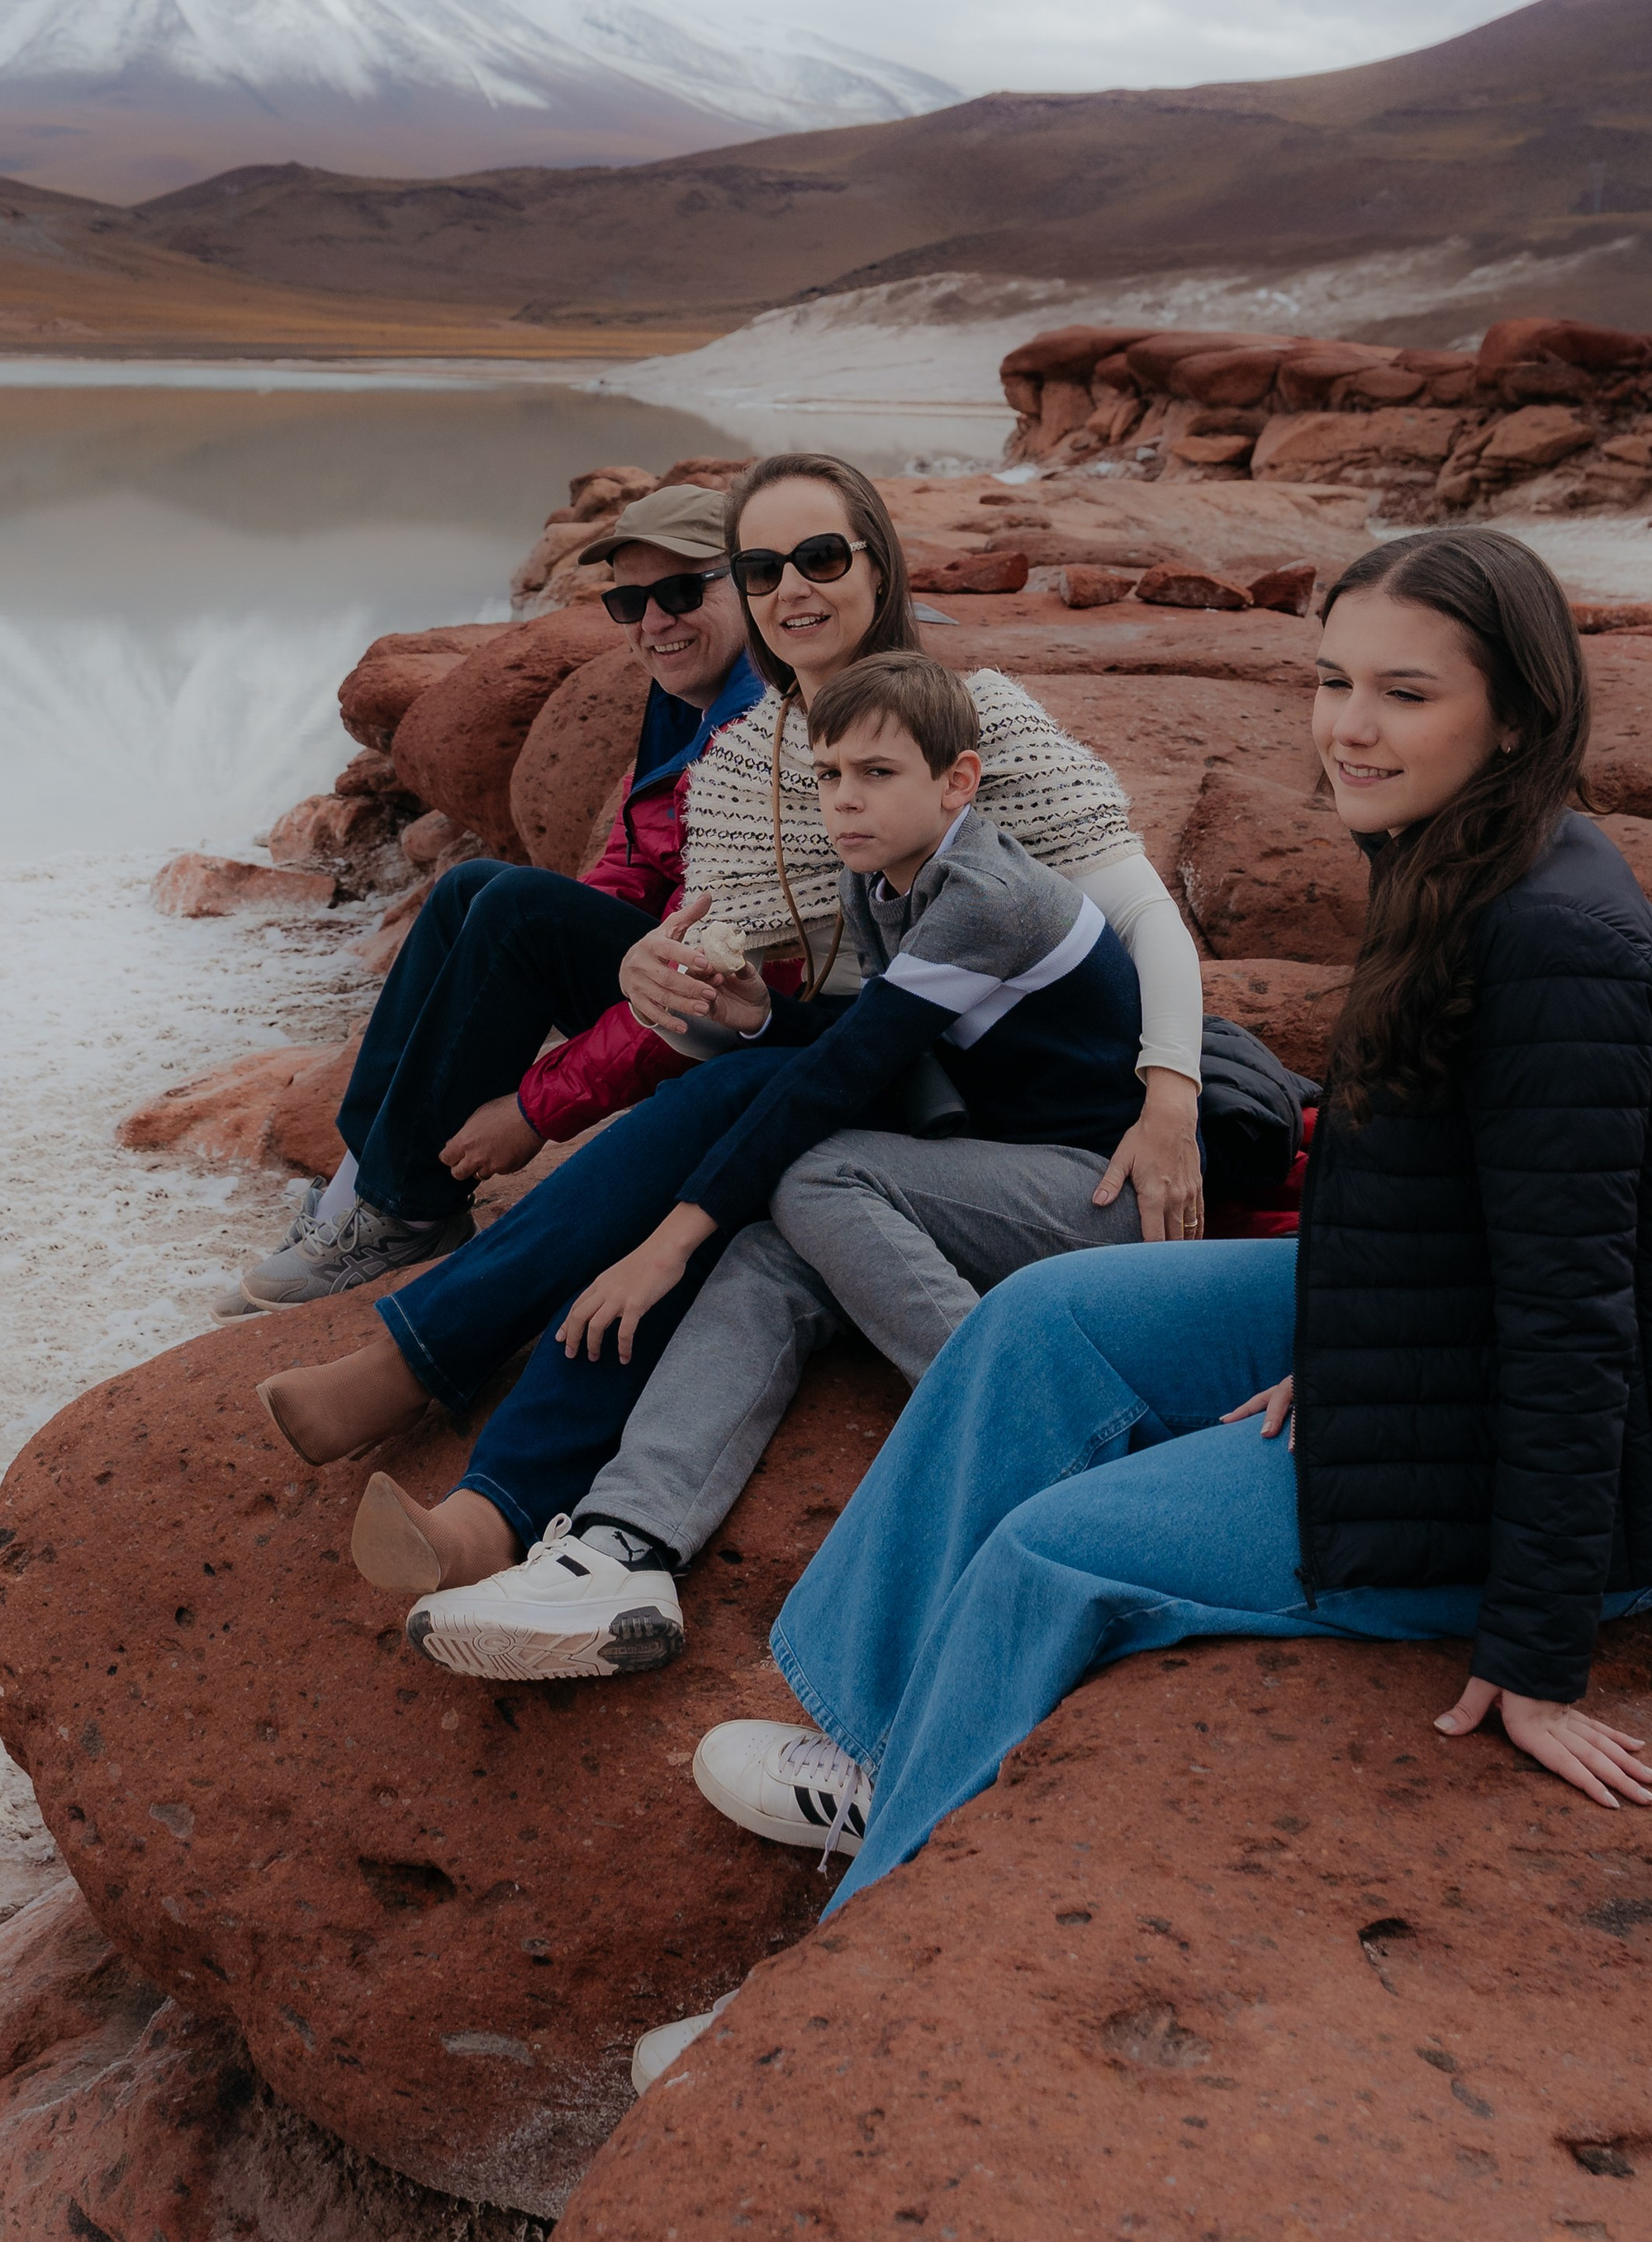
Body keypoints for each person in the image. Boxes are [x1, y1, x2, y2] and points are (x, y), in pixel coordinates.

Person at [670, 525, 1652, 1991]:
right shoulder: (1457, 852)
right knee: (1039, 1324)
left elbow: (1578, 1318)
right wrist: (1342, 1333)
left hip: (1562, 1473)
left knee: (1051, 1551)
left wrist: (1538, 1651)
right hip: (1431, 1326)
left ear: (1515, 712)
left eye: (1406, 694)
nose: (1350, 728)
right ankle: (877, 1742)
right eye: (1332, 681)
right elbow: (1425, 1189)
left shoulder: (1554, 942)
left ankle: (850, 1947)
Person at [254, 454, 1207, 1589]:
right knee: (717, 1099)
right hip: (855, 1050)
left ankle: (426, 1360)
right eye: (762, 568)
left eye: (819, 557)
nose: (791, 588)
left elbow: (1145, 916)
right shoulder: (743, 756)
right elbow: (756, 1004)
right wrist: (711, 1009)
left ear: (877, 561)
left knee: (717, 1152)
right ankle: (488, 1507)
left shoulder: (970, 715)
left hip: (978, 1075)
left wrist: (1171, 1095)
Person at [406, 650, 1156, 1677]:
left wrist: (666, 1246)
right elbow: (876, 1038)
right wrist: (766, 1016)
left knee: (813, 1176)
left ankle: (1020, 1427)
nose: (846, 801)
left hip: (1097, 1190)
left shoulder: (987, 894)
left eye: (877, 774)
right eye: (828, 776)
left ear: (959, 781)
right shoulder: (883, 881)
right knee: (769, 1247)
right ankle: (623, 1550)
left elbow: (842, 1078)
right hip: (984, 1179)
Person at [240, 479, 759, 1350]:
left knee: (512, 906)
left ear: (749, 581)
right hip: (673, 976)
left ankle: (402, 1213)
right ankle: (361, 1191)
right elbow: (631, 865)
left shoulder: (760, 725)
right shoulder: (684, 700)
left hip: (737, 1018)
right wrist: (523, 955)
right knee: (477, 891)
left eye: (681, 591)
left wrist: (533, 1107)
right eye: (629, 600)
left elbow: (724, 973)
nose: (652, 621)